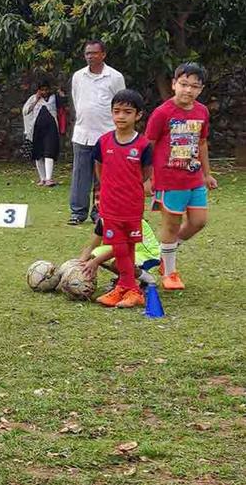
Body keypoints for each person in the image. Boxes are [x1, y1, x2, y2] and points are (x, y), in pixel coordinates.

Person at [144, 62, 217, 291]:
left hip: (194, 178)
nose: (188, 90)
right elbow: (149, 145)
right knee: (171, 224)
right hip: (169, 179)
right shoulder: (162, 113)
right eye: (184, 84)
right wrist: (148, 177)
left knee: (198, 221)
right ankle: (170, 271)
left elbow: (202, 142)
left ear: (201, 89)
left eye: (194, 86)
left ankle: (166, 254)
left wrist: (207, 173)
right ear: (174, 84)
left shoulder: (202, 111)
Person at [84, 89, 153, 308]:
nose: (121, 116)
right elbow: (99, 168)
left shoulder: (143, 145)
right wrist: (109, 189)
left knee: (128, 245)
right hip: (110, 203)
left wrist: (129, 187)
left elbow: (146, 173)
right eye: (116, 111)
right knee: (119, 245)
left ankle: (128, 288)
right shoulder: (103, 142)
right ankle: (127, 288)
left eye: (127, 112)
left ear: (138, 115)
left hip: (132, 204)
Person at [69, 40, 126, 225]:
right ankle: (77, 213)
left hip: (107, 134)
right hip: (83, 133)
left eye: (94, 53)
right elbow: (77, 100)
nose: (90, 56)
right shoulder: (78, 76)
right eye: (87, 53)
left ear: (103, 55)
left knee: (104, 177)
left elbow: (122, 103)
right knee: (80, 175)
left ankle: (100, 212)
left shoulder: (115, 77)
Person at [80, 217, 160, 291]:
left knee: (118, 262)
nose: (98, 203)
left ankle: (149, 279)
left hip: (147, 253)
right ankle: (121, 280)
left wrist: (95, 262)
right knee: (95, 254)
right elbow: (92, 246)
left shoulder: (124, 216)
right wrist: (78, 264)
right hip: (128, 250)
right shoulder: (103, 220)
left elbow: (123, 247)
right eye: (97, 200)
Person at [22, 80, 60, 186]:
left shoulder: (54, 98)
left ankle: (49, 178)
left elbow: (61, 106)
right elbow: (26, 111)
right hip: (37, 129)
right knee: (38, 154)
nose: (44, 92)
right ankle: (42, 178)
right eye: (42, 90)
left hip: (51, 129)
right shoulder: (33, 98)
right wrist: (36, 100)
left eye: (46, 90)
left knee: (49, 152)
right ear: (38, 90)